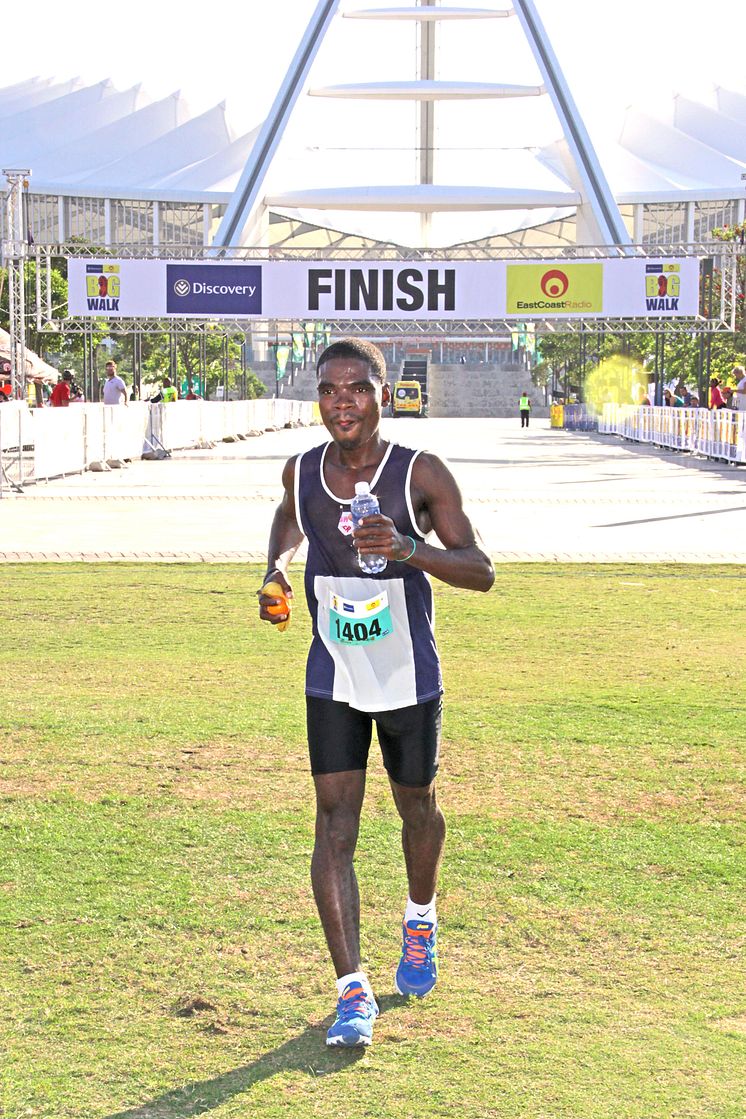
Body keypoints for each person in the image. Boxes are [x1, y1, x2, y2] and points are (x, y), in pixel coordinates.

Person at [258, 338, 494, 1050]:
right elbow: (288, 517)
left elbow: (481, 570)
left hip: (405, 675)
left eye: (356, 388)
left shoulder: (419, 471)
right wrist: (273, 570)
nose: (342, 403)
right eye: (329, 390)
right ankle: (351, 991)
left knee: (417, 807)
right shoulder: (301, 470)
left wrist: (408, 548)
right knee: (334, 825)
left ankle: (419, 917)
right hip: (332, 672)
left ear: (382, 394)